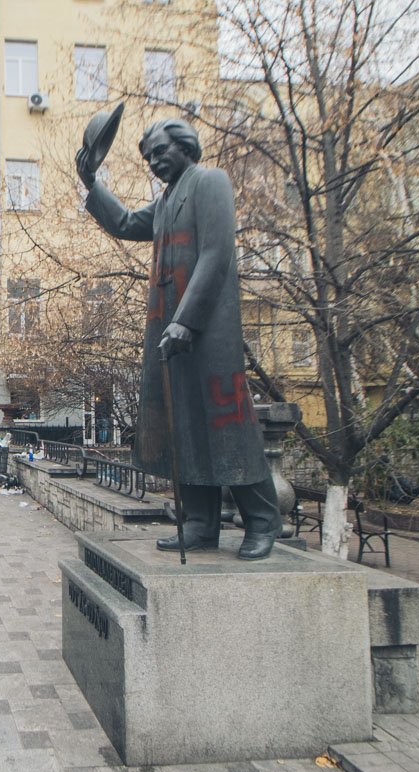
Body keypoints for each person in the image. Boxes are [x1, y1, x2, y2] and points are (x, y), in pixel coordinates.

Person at [77, 114, 282, 560]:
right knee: (185, 423)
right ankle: (201, 524)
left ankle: (264, 521)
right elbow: (127, 222)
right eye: (148, 156)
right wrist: (91, 184)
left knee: (228, 423)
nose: (153, 161)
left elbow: (216, 253)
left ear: (185, 146)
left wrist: (187, 320)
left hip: (208, 328)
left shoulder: (209, 182)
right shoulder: (168, 200)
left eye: (160, 151)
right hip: (168, 325)